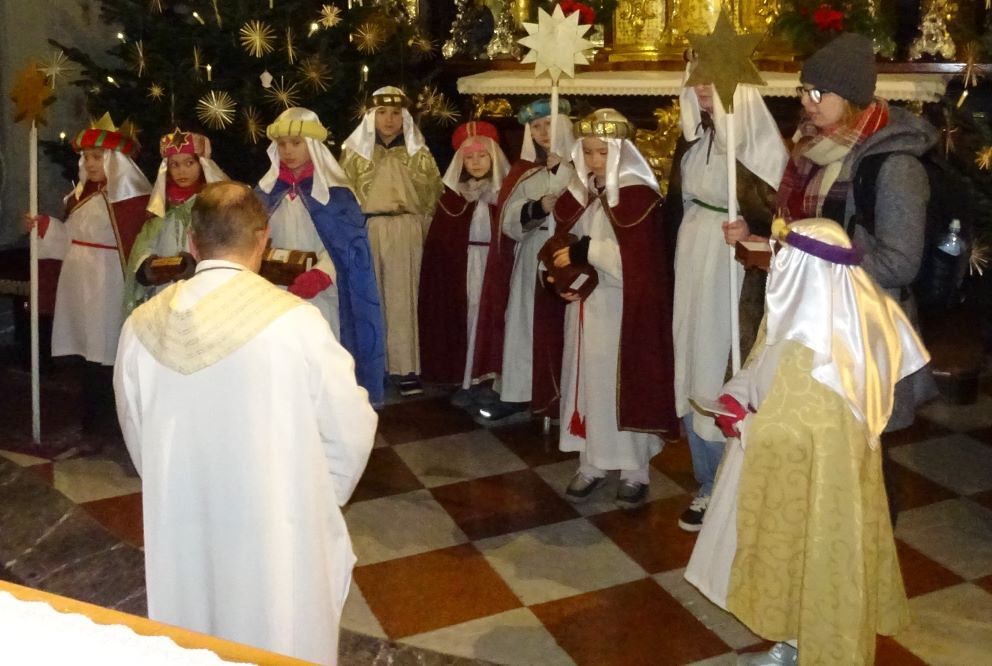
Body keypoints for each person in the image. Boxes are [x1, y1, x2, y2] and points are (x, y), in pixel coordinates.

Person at [114, 181, 377, 665]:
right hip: (276, 531)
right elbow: (350, 429)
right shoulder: (296, 322)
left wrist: (178, 489)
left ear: (192, 243)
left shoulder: (140, 326)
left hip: (181, 524)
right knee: (278, 634)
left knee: (190, 636)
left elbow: (137, 433)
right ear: (263, 239)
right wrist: (315, 498)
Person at [684, 217, 930, 666]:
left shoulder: (833, 348)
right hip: (779, 464)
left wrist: (747, 426)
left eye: (785, 255)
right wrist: (736, 395)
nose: (777, 263)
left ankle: (807, 649)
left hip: (820, 480)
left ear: (806, 268)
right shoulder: (798, 310)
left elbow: (808, 426)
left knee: (816, 560)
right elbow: (760, 362)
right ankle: (793, 639)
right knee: (792, 561)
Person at [776, 32, 938, 434]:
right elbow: (804, 226)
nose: (806, 101)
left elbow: (900, 265)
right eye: (803, 90)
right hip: (816, 319)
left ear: (848, 96)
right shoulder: (813, 149)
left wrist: (825, 255)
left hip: (863, 330)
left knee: (860, 449)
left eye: (817, 92)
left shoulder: (895, 166)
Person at [671, 75, 788, 532]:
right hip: (693, 256)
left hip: (732, 267)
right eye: (696, 80)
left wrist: (752, 229)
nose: (702, 88)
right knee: (690, 358)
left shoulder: (755, 143)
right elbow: (676, 203)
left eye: (712, 79)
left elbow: (783, 216)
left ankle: (731, 481)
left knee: (722, 360)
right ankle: (706, 477)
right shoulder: (694, 141)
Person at [549, 109, 679, 509]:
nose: (593, 161)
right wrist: (559, 278)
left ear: (621, 152)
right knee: (586, 384)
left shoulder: (638, 197)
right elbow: (561, 242)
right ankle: (591, 462)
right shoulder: (580, 192)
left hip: (623, 310)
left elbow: (639, 263)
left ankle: (634, 470)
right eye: (587, 152)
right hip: (585, 308)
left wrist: (588, 252)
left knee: (620, 385)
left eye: (602, 153)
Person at [27, 113, 151, 436]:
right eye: (86, 157)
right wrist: (45, 226)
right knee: (85, 347)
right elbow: (69, 237)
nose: (90, 163)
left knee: (105, 346)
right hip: (78, 277)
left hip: (108, 279)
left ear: (115, 160)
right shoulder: (80, 195)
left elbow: (135, 245)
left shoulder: (132, 200)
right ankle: (91, 418)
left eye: (98, 156)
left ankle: (111, 421)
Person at [257, 107, 385, 406]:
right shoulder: (265, 193)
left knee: (321, 359)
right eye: (282, 144)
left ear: (313, 145)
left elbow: (350, 248)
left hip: (322, 294)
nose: (288, 151)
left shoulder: (337, 195)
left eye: (296, 143)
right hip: (276, 292)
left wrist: (323, 273)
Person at [341, 86, 443, 397]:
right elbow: (343, 197)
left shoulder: (418, 153)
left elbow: (431, 198)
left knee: (404, 300)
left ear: (405, 118)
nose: (389, 119)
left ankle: (406, 367)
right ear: (371, 117)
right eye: (382, 113)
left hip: (407, 233)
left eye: (396, 113)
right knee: (371, 298)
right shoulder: (355, 155)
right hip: (369, 230)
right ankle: (375, 365)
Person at [479, 98, 576, 423]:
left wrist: (563, 174)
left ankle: (566, 398)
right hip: (533, 254)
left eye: (549, 124)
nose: (543, 132)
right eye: (536, 127)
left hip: (572, 256)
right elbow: (509, 220)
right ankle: (520, 392)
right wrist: (536, 209)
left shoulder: (585, 164)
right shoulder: (525, 171)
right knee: (524, 324)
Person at [418, 121, 511, 405]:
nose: (476, 162)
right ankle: (465, 377)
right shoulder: (453, 197)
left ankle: (492, 379)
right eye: (469, 157)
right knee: (467, 318)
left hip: (495, 269)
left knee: (495, 320)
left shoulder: (507, 194)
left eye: (482, 156)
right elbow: (442, 242)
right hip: (464, 268)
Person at [125, 128, 228, 314]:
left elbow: (225, 247)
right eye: (175, 165)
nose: (182, 171)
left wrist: (196, 266)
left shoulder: (212, 207)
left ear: (202, 164)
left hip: (203, 293)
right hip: (165, 293)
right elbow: (145, 245)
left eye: (189, 163)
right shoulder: (162, 208)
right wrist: (147, 267)